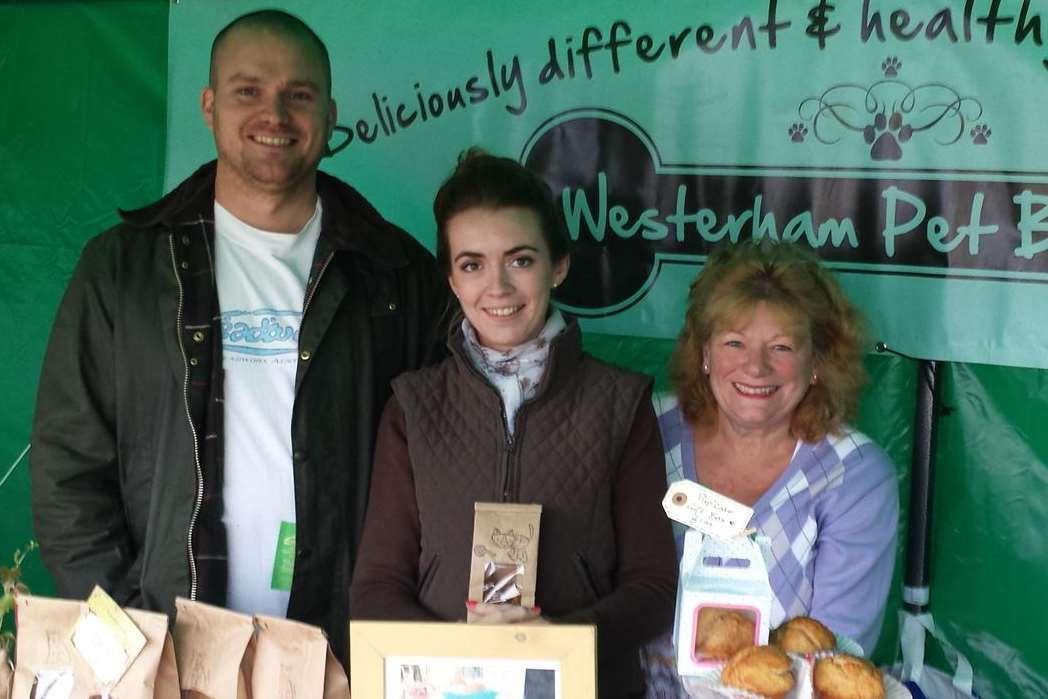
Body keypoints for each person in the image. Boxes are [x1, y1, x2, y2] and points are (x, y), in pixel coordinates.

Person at [30, 10, 448, 661]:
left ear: (330, 113)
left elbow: (446, 473)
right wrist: (125, 650)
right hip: (166, 649)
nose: (274, 114)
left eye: (298, 95)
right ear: (208, 105)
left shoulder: (397, 277)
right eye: (248, 90)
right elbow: (68, 476)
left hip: (340, 653)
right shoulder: (124, 268)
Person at [350, 150, 678, 698]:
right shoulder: (412, 405)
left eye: (520, 260)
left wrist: (552, 646)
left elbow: (651, 586)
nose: (497, 287)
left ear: (560, 265)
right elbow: (377, 588)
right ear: (451, 280)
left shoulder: (620, 402)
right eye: (472, 264)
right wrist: (465, 661)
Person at [644, 241, 899, 695]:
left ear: (817, 362)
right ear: (704, 354)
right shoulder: (644, 432)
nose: (756, 367)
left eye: (781, 347)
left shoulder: (855, 474)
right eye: (734, 342)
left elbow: (837, 660)